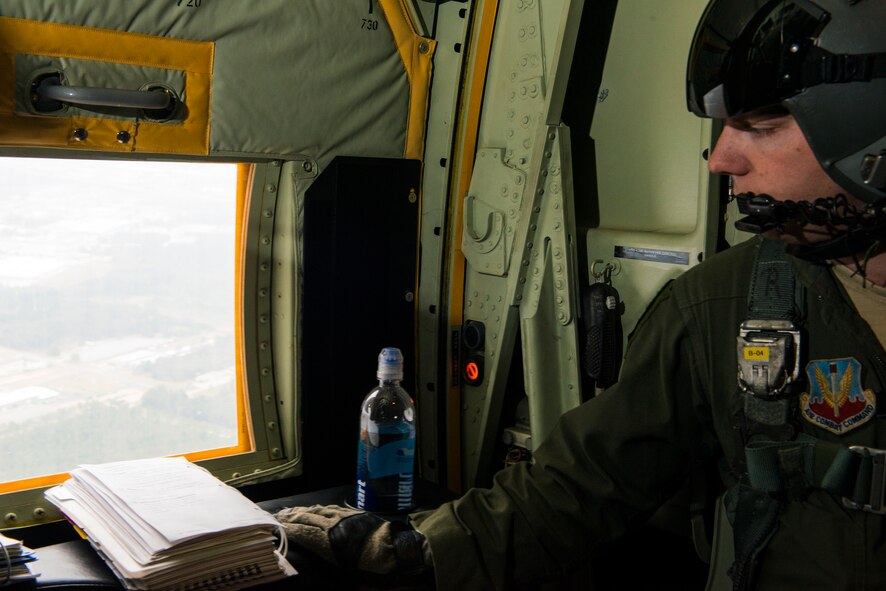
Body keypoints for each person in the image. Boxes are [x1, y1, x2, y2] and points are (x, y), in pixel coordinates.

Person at [276, 0, 886, 589]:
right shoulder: (721, 306)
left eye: (760, 126)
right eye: (725, 128)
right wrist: (423, 549)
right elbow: (583, 482)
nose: (721, 159)